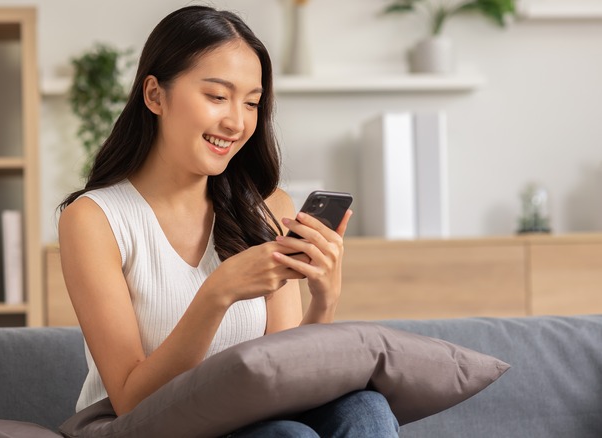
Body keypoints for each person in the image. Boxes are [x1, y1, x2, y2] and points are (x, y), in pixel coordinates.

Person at [57, 5, 399, 437]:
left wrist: (324, 299)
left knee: (365, 408)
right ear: (154, 95)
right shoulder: (94, 219)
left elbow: (287, 377)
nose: (237, 122)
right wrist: (218, 292)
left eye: (252, 103)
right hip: (141, 428)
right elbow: (131, 399)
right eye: (217, 97)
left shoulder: (267, 208)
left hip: (247, 420)